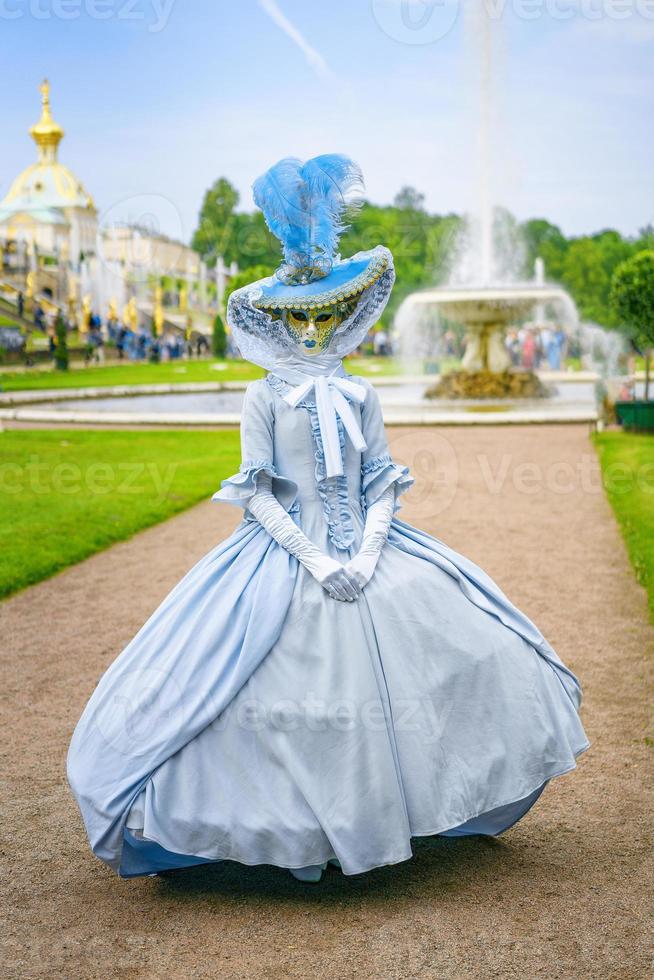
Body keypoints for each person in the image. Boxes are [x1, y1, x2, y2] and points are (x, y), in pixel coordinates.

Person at [68, 155, 589, 883]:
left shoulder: (361, 394)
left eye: (324, 315)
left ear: (344, 316)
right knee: (245, 683)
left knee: (468, 639)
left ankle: (401, 810)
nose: (312, 328)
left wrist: (368, 554)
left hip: (368, 549)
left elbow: (381, 478)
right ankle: (281, 832)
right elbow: (256, 493)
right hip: (284, 554)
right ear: (277, 319)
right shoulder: (263, 398)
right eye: (298, 316)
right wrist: (315, 561)